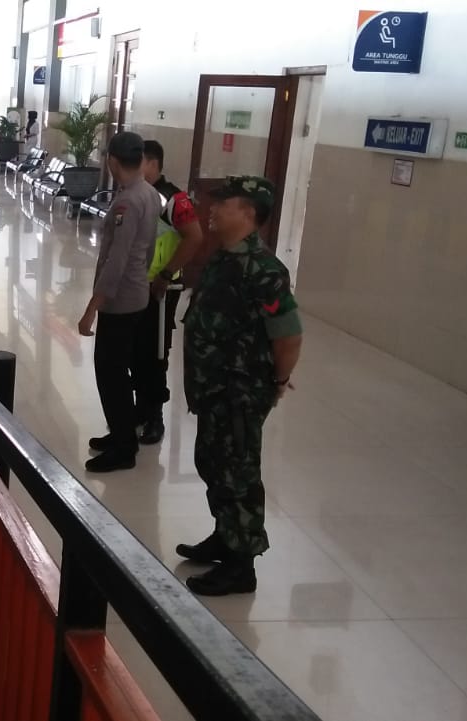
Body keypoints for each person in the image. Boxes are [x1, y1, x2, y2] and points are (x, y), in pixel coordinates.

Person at [177, 175, 302, 596]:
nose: (211, 209)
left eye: (223, 203)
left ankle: (240, 564)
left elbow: (288, 335)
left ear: (248, 213)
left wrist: (279, 381)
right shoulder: (223, 258)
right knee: (212, 462)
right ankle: (224, 535)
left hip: (239, 392)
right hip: (214, 388)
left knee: (238, 472)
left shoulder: (264, 271)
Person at [78, 131, 160, 473]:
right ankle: (122, 433)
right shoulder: (151, 194)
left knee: (110, 373)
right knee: (119, 372)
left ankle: (124, 447)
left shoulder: (128, 201)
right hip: (137, 293)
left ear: (112, 161)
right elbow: (151, 247)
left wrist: (91, 310)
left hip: (121, 300)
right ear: (141, 159)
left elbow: (117, 260)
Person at [131, 140, 204, 445]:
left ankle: (155, 417)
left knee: (155, 351)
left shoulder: (174, 200)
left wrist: (164, 274)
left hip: (159, 290)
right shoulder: (136, 193)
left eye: (139, 163)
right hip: (135, 288)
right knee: (136, 351)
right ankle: (139, 408)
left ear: (152, 163)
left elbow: (194, 237)